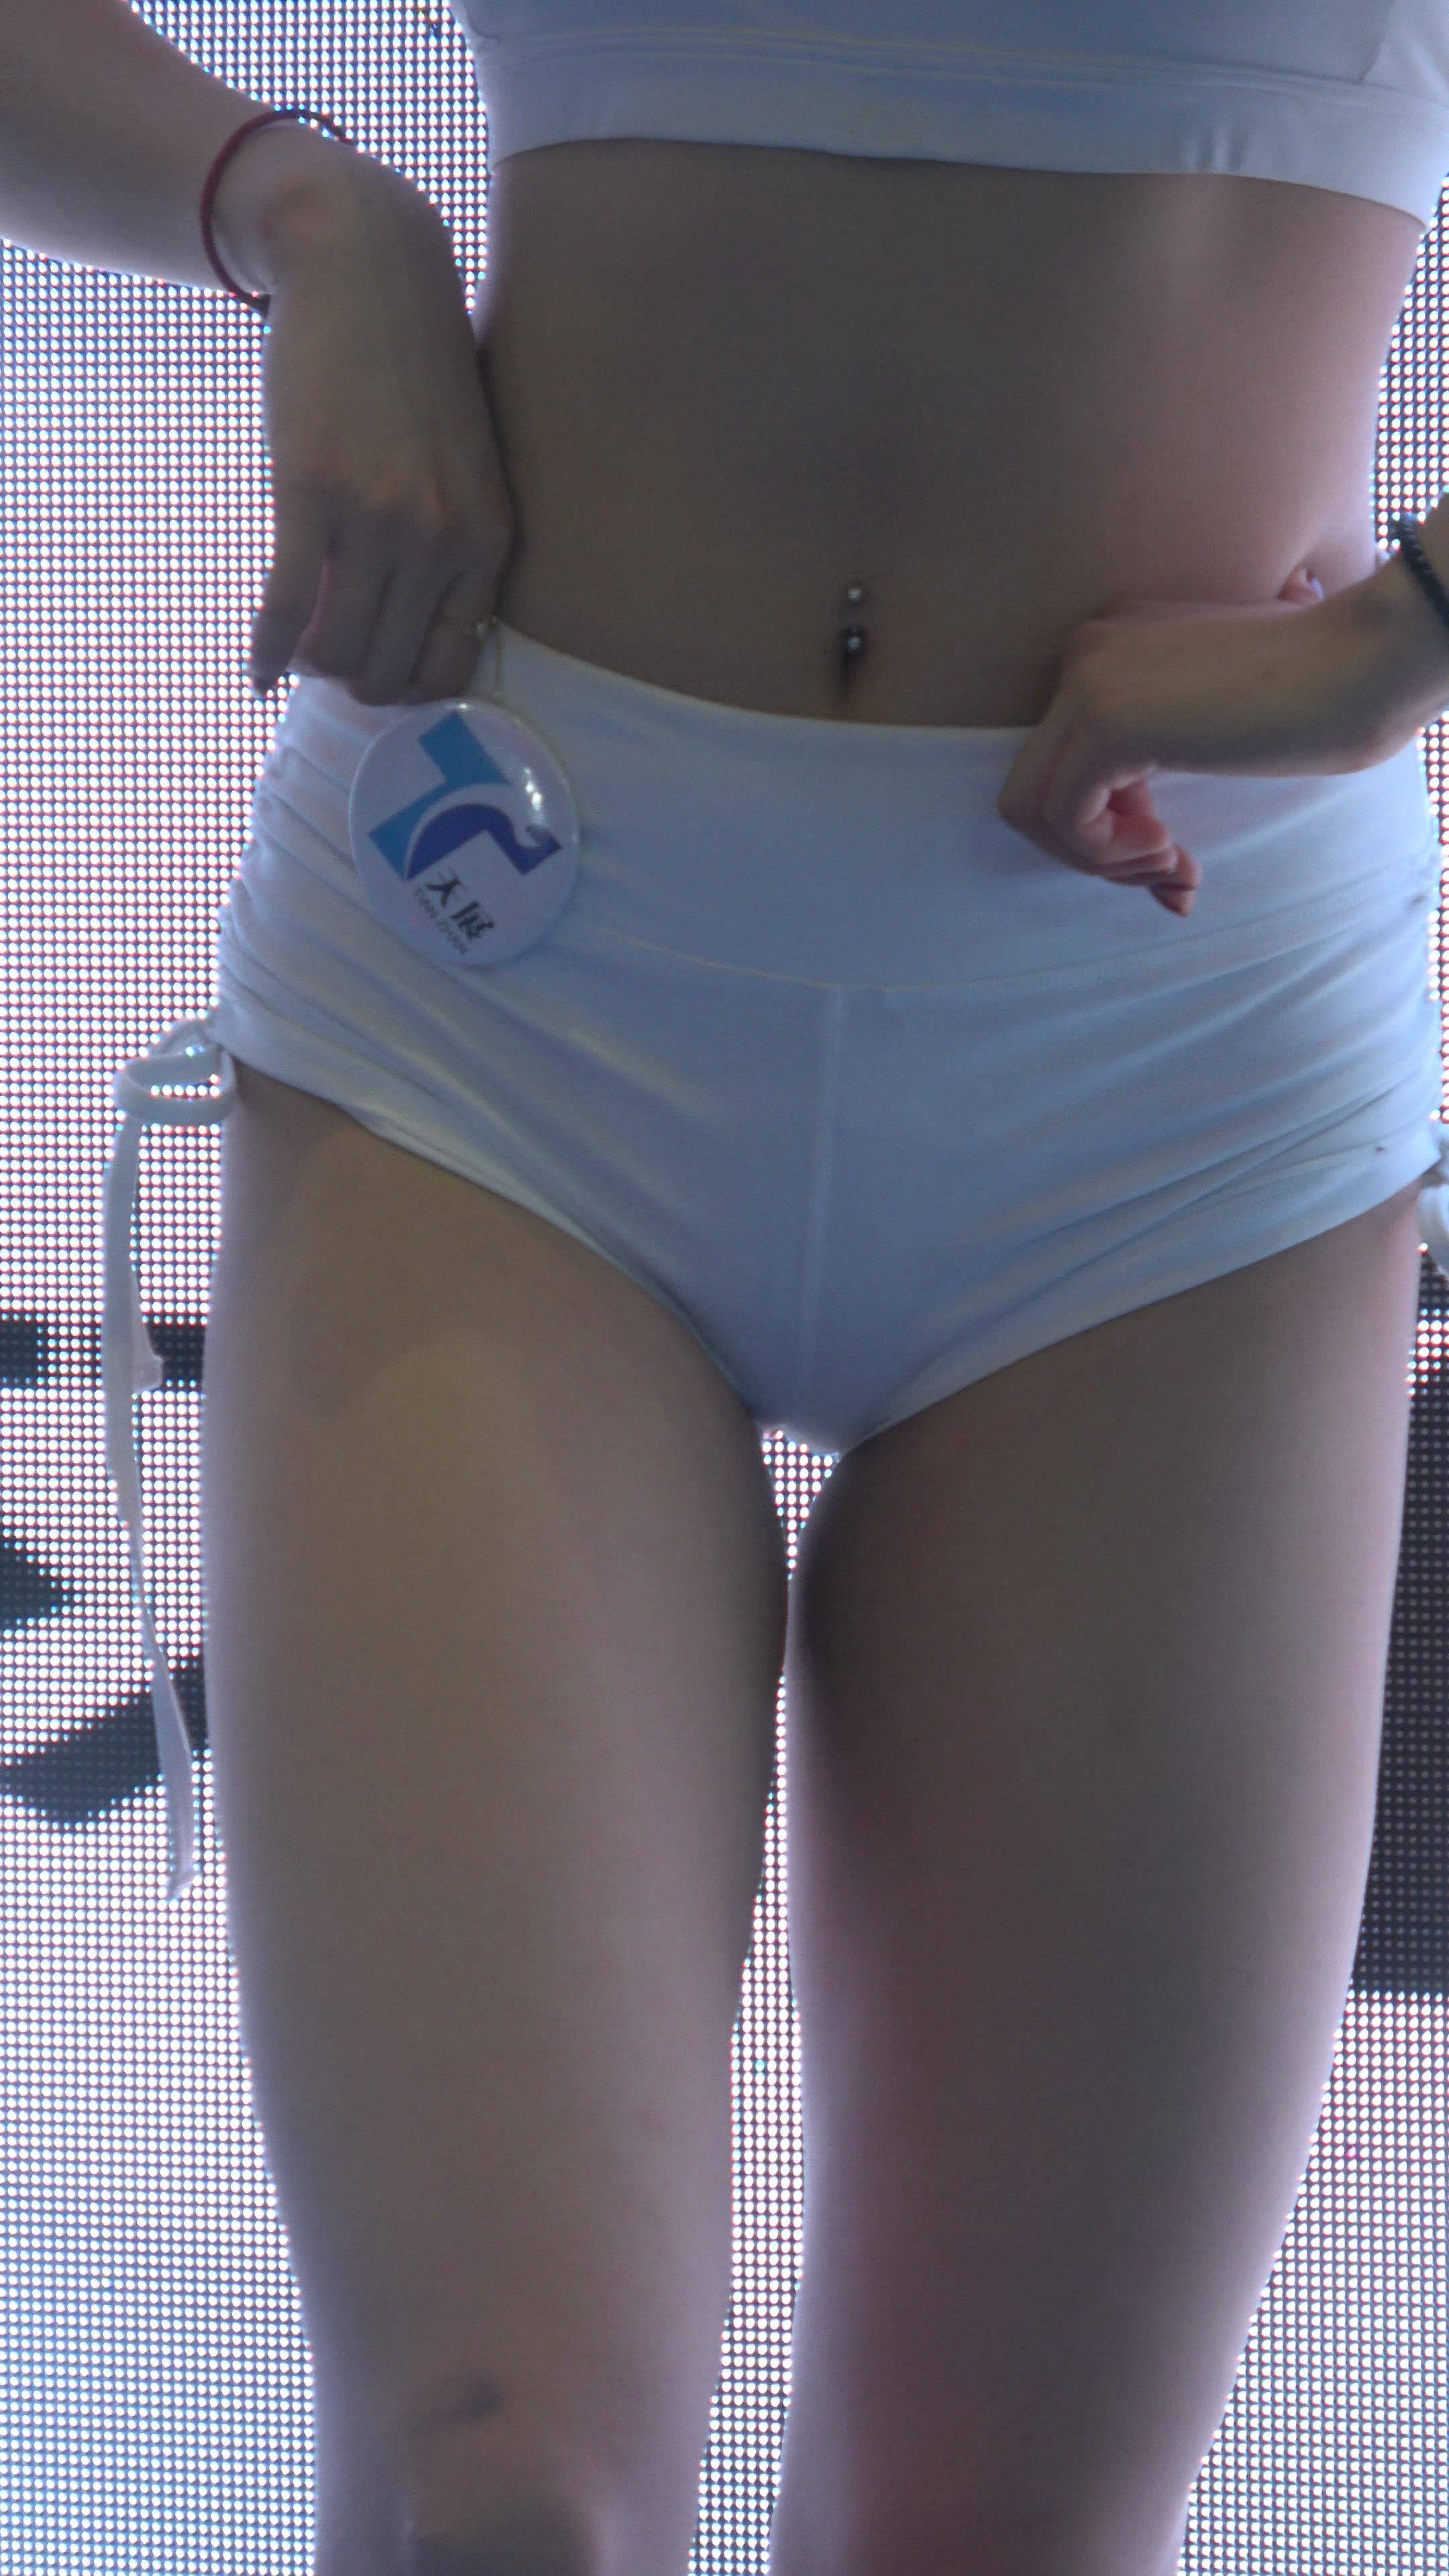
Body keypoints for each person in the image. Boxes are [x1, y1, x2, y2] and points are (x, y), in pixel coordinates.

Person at [10, 3, 1449, 2570]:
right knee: (497, 2497)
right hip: (501, 1005)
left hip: (1169, 1079)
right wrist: (292, 208)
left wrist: (1403, 636)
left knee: (991, 2534)